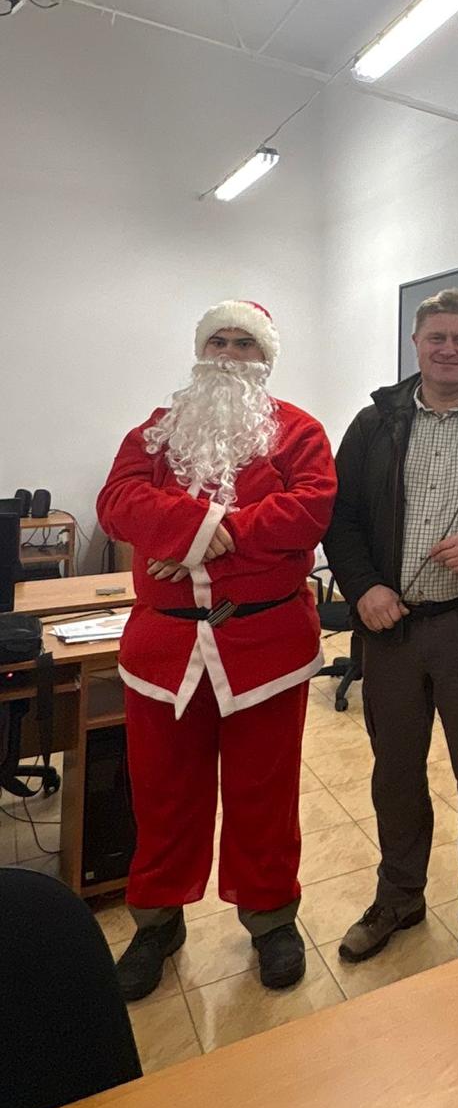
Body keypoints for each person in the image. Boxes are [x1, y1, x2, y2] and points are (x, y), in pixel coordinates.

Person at [96, 301, 336, 999]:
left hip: (265, 649)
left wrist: (198, 547)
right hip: (166, 650)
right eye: (218, 341)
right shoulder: (155, 433)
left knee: (265, 794)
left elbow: (308, 511)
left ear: (266, 358)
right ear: (201, 352)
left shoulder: (299, 432)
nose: (229, 354)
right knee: (163, 794)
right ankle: (157, 922)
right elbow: (117, 503)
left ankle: (270, 917)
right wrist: (199, 528)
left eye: (245, 343)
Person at [324, 287, 458, 980]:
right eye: (436, 337)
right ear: (415, 343)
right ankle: (399, 897)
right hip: (391, 629)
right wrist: (363, 588)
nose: (448, 349)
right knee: (395, 773)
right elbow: (341, 518)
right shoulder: (374, 424)